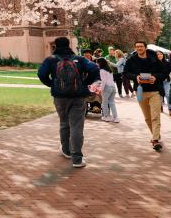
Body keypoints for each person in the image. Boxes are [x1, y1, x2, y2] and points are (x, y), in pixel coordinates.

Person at [37, 37, 99, 168]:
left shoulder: (50, 60)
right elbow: (94, 68)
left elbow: (41, 74)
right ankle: (77, 159)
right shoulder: (80, 59)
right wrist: (86, 82)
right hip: (78, 97)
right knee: (77, 126)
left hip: (59, 97)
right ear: (69, 45)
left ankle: (66, 150)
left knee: (64, 122)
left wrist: (52, 84)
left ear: (56, 46)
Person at [123, 40, 170, 151]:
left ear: (145, 47)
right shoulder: (131, 60)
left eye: (141, 46)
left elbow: (164, 72)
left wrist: (155, 77)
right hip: (140, 91)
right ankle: (156, 135)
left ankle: (155, 140)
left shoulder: (154, 59)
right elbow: (125, 73)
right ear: (135, 48)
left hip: (155, 91)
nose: (139, 48)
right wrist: (136, 77)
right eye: (137, 47)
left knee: (155, 116)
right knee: (147, 118)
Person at [96, 58, 117, 123]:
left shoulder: (102, 70)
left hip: (107, 87)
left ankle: (106, 117)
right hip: (113, 86)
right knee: (112, 102)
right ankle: (115, 118)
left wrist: (100, 89)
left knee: (104, 103)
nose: (96, 64)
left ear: (100, 63)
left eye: (97, 62)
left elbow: (104, 81)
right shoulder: (109, 70)